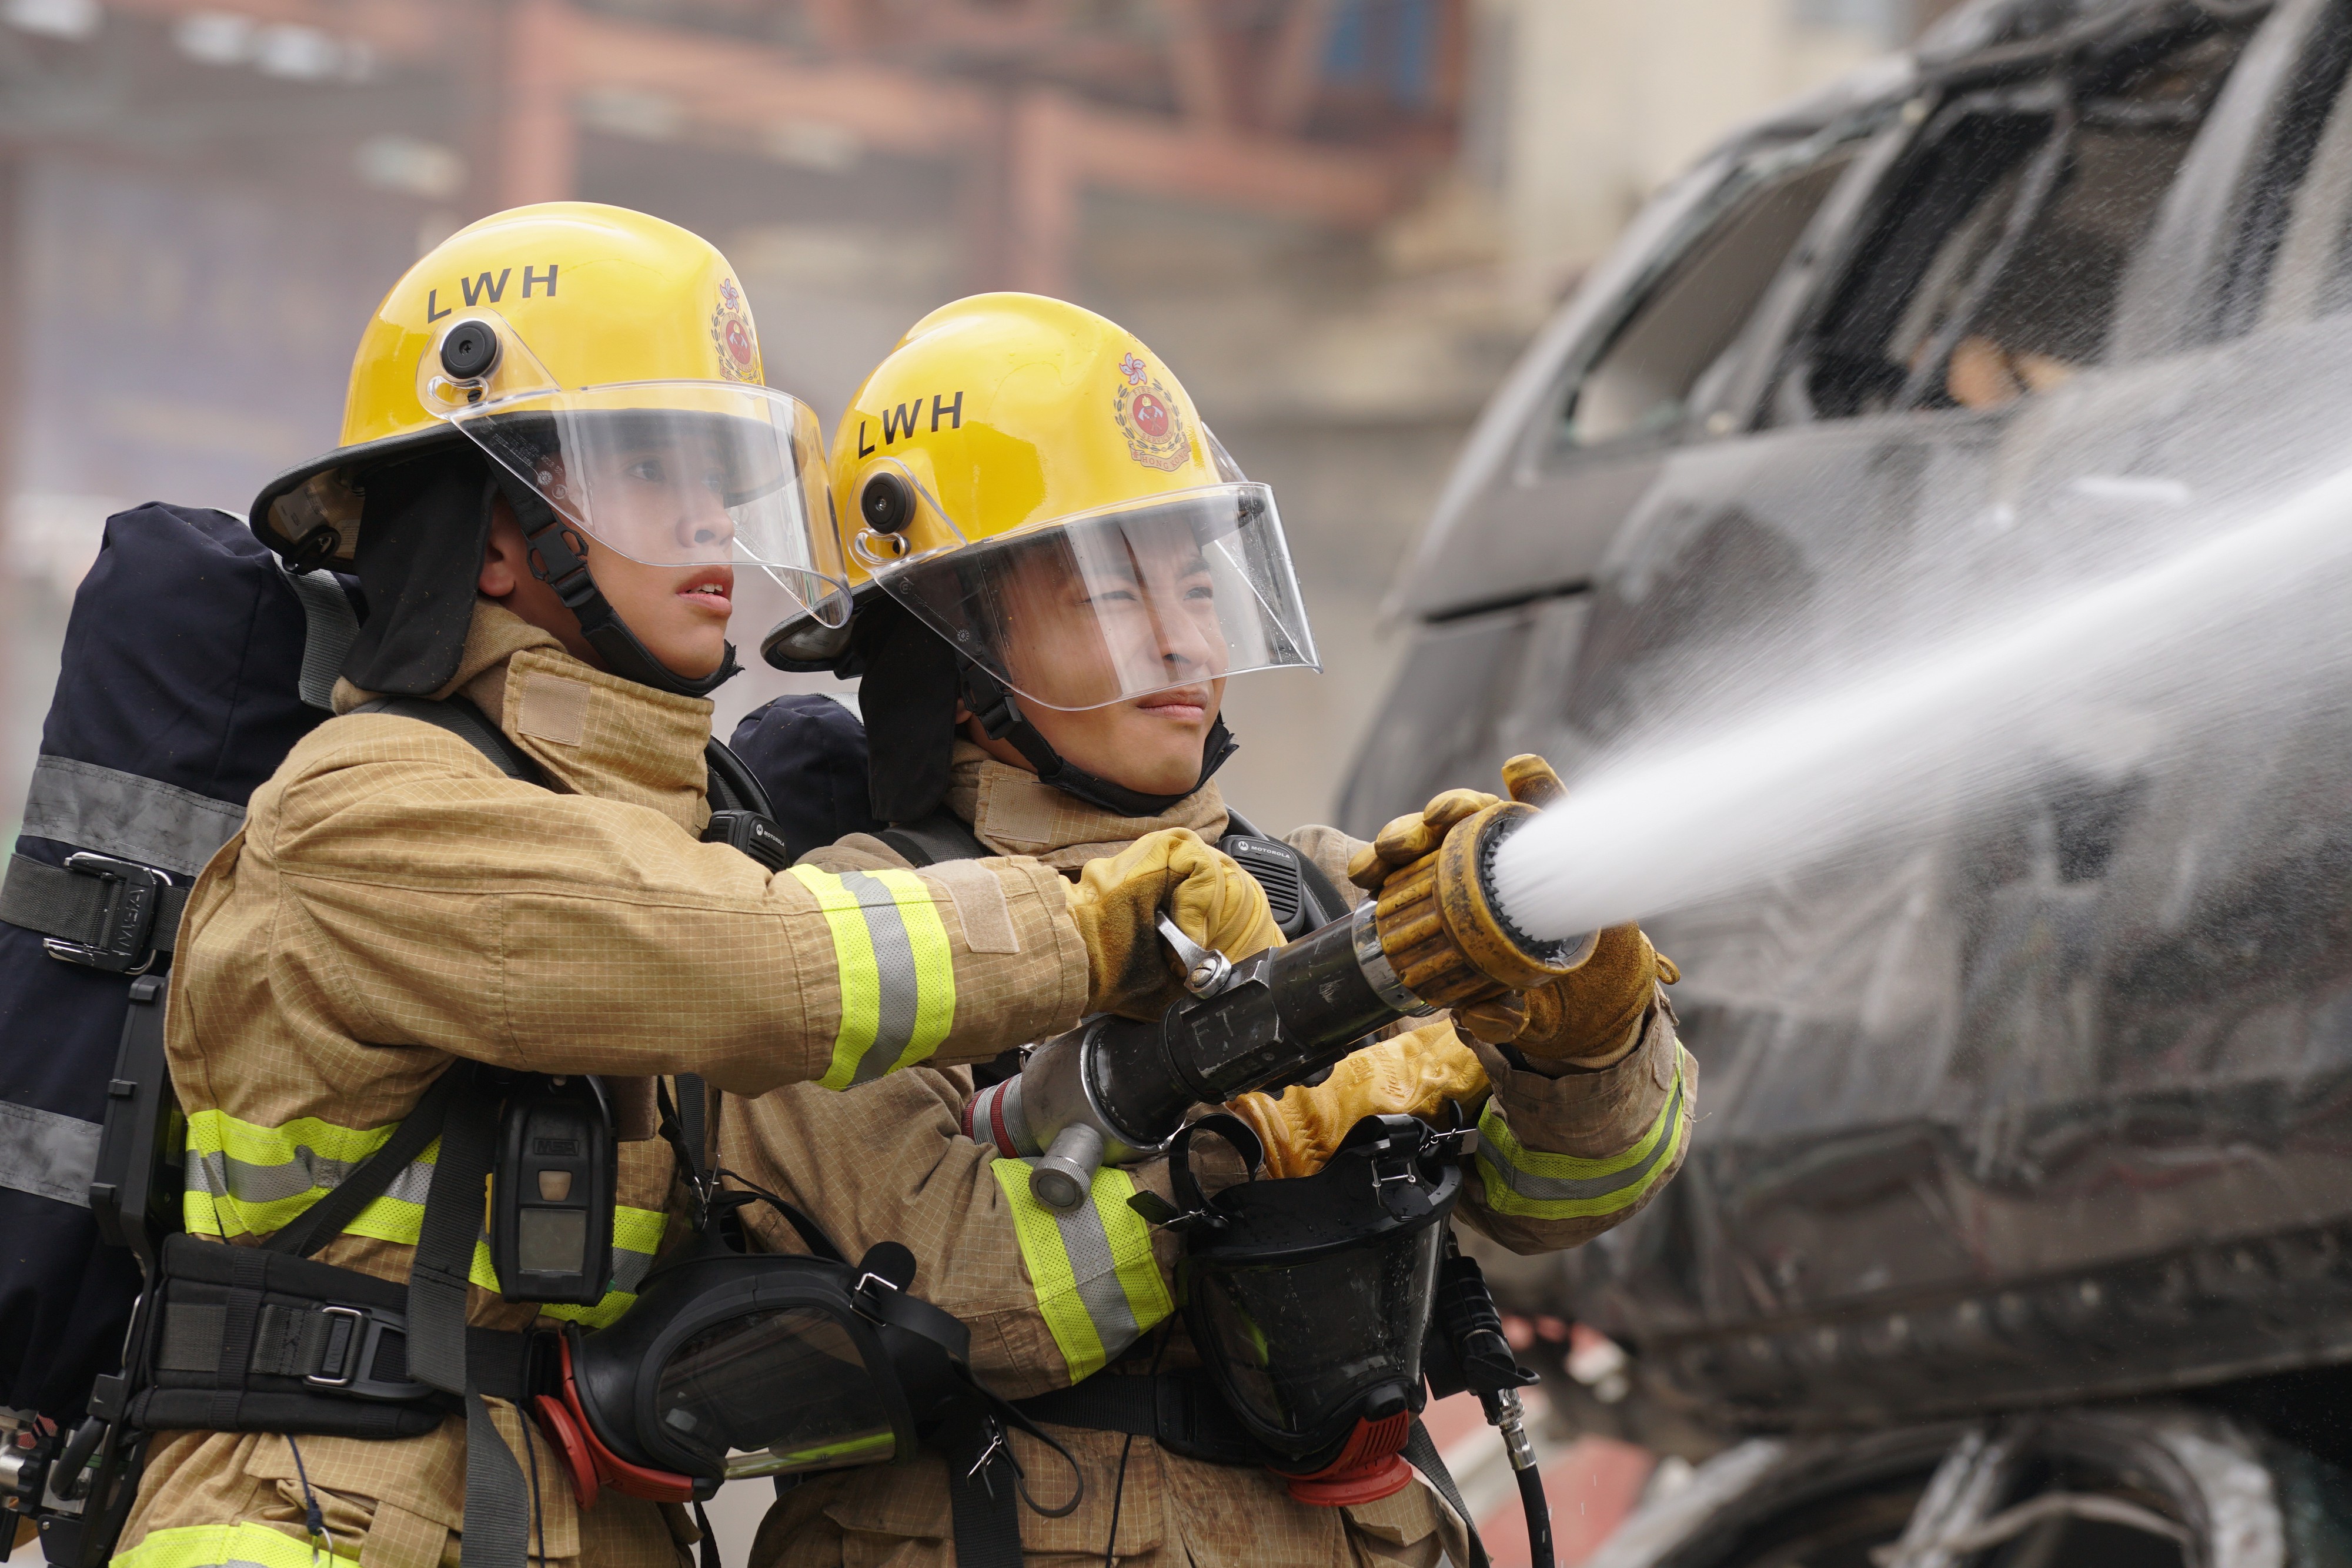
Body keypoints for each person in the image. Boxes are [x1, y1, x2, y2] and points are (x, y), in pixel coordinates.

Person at [111, 210, 1275, 1568]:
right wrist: (1092, 929)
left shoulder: (669, 824)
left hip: (573, 1517)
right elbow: (750, 965)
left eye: (722, 475)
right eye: (648, 470)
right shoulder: (369, 805)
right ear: (496, 538)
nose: (712, 521)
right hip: (310, 1517)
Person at [721, 293, 1695, 1567]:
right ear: (951, 640)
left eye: (1198, 581)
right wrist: (1260, 1125)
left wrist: (1580, 1034)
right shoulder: (837, 933)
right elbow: (979, 1302)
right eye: (1114, 592)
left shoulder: (1321, 897)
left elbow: (1563, 1198)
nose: (1185, 636)